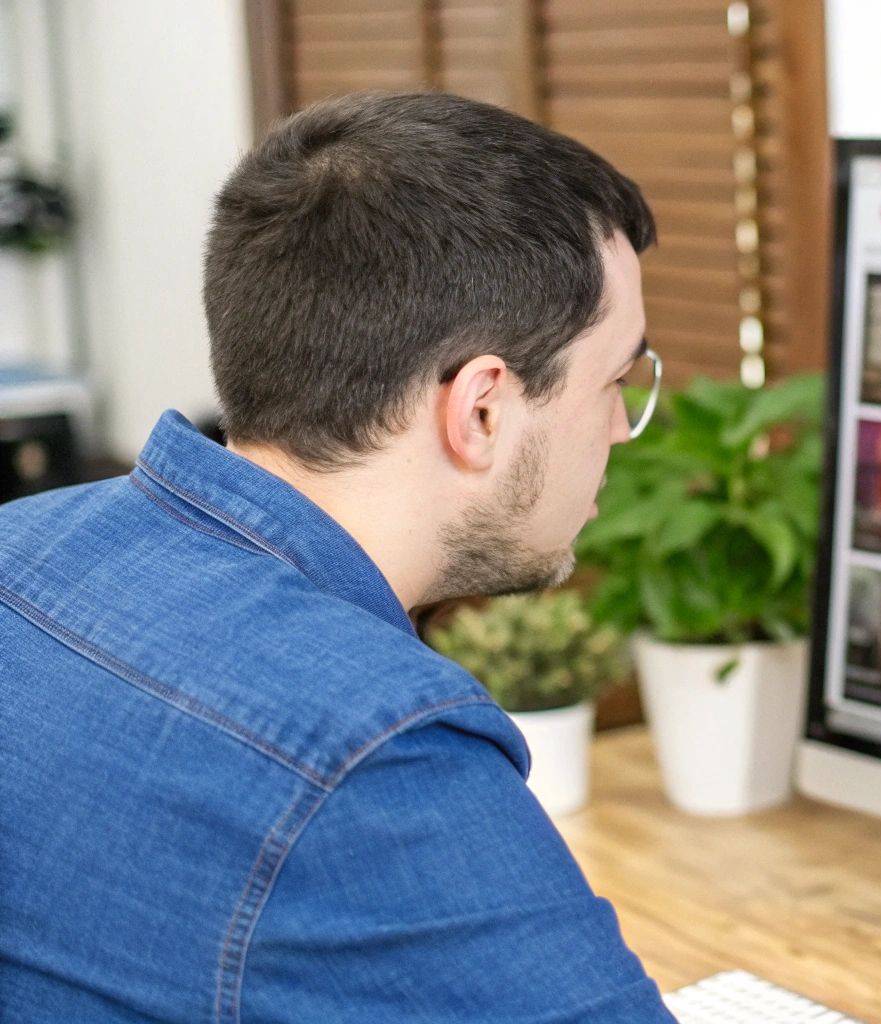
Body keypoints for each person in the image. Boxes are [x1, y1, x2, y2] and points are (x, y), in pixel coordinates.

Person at [0, 94, 675, 1021]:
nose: (619, 429)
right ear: (481, 410)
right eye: (615, 381)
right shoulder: (375, 755)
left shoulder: (17, 548)